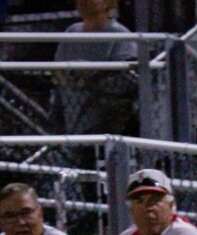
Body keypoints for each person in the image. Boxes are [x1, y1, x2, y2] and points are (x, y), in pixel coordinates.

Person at [53, 0, 137, 136]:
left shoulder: (119, 34)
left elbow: (129, 79)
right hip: (71, 111)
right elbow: (59, 72)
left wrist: (93, 76)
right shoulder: (72, 31)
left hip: (106, 117)